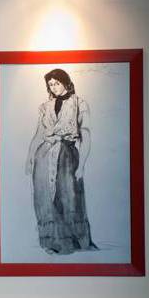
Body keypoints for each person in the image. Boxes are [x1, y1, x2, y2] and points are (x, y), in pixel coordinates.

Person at [24, 68, 98, 255]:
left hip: (67, 155)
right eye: (50, 85)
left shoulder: (79, 104)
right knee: (44, 197)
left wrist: (82, 164)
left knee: (70, 196)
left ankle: (78, 241)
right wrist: (30, 157)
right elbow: (38, 134)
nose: (54, 87)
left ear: (65, 82)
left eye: (57, 83)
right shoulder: (45, 107)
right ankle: (52, 242)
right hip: (44, 156)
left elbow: (86, 134)